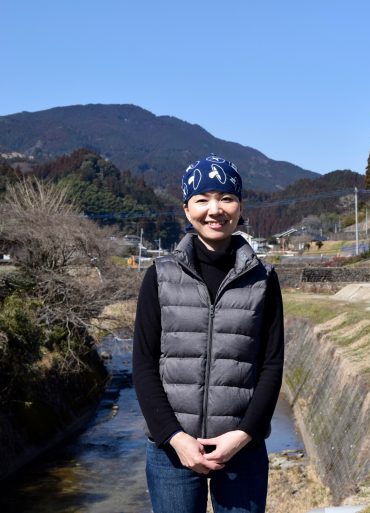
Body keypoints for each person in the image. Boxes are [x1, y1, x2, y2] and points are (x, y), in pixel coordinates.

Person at [133, 154, 284, 513]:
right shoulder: (160, 275)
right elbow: (143, 364)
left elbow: (272, 365)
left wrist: (244, 434)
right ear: (187, 210)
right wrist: (175, 437)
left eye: (226, 198)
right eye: (202, 199)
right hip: (171, 449)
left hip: (241, 449)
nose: (215, 210)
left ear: (240, 206)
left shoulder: (264, 279)